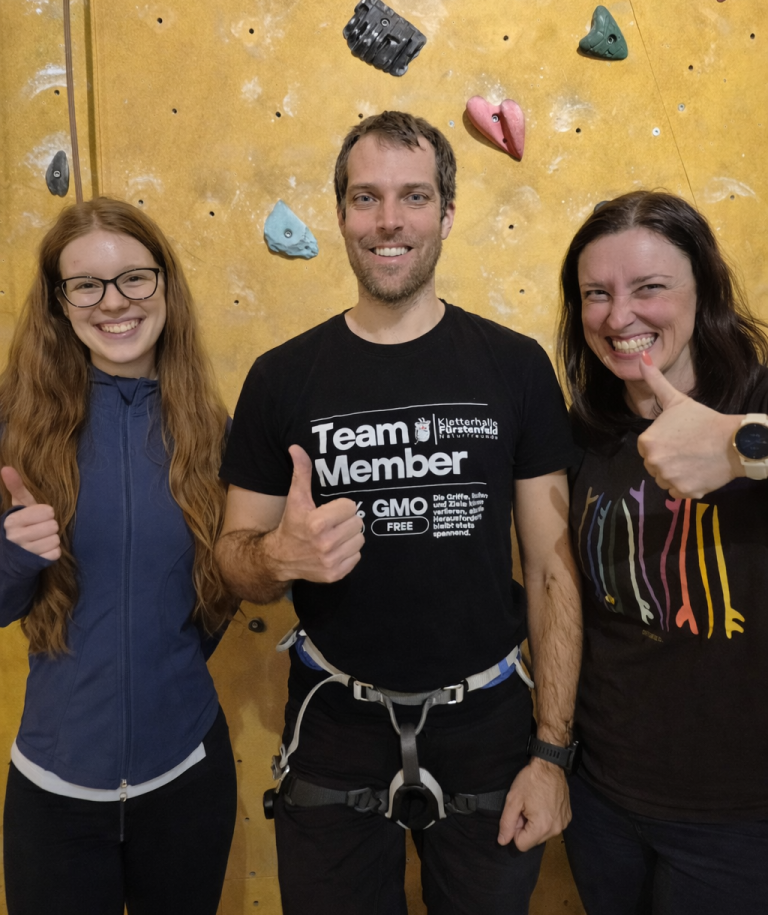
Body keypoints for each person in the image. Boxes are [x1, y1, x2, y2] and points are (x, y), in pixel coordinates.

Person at [216, 110, 582, 915]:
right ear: (340, 213)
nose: (389, 220)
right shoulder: (281, 378)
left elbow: (554, 570)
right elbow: (234, 560)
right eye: (366, 197)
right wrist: (279, 557)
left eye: (414, 197)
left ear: (446, 214)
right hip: (334, 721)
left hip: (488, 724)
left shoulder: (514, 368)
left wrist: (552, 753)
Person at [0, 197, 237, 915]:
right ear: (58, 302)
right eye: (87, 284)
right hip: (54, 792)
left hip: (187, 779)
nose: (115, 303)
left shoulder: (210, 428)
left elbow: (219, 589)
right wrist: (15, 558)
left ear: (164, 283)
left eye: (135, 277)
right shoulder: (14, 426)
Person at [557, 190, 768, 915]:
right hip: (603, 800)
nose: (620, 318)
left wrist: (743, 449)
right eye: (596, 294)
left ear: (703, 290)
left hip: (741, 819)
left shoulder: (759, 404)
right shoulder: (586, 432)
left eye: (650, 287)